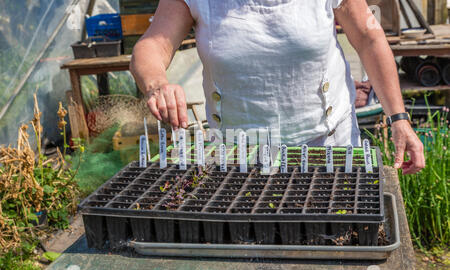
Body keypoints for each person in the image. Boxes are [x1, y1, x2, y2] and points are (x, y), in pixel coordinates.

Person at [130, 0, 425, 174]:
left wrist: (398, 118)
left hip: (328, 150)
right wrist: (157, 84)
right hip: (239, 157)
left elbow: (369, 38)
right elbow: (152, 45)